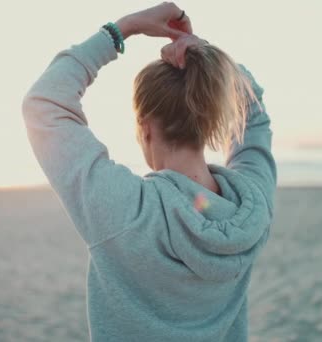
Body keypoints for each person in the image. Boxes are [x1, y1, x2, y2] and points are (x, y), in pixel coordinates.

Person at [21, 2, 276, 341]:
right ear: (207, 120)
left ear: (145, 127)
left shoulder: (126, 209)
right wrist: (203, 52)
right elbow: (254, 112)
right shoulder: (253, 206)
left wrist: (123, 28)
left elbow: (44, 102)